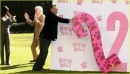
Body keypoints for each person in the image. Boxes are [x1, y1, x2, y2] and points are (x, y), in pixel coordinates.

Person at [32, 5, 71, 71]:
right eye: (54, 9)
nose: (55, 10)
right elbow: (60, 19)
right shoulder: (50, 15)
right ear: (50, 9)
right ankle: (36, 67)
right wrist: (70, 20)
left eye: (56, 9)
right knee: (43, 52)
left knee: (44, 52)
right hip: (45, 37)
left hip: (47, 37)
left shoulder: (51, 15)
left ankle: (39, 67)